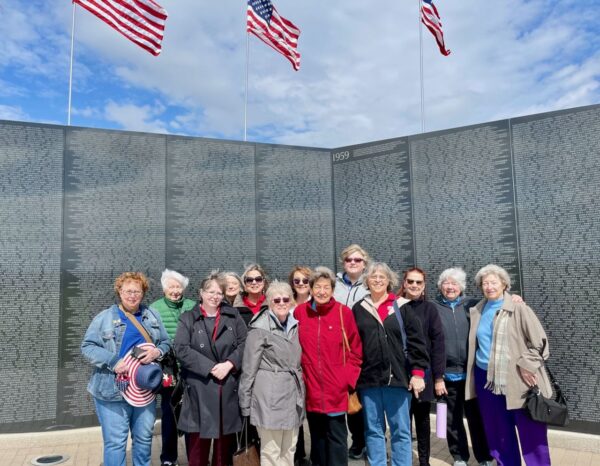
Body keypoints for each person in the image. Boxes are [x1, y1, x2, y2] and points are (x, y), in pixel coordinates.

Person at [465, 264, 552, 466]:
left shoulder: (518, 307)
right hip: (486, 380)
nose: (489, 286)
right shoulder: (477, 309)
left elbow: (540, 343)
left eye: (493, 282)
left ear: (504, 283)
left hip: (519, 380)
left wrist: (525, 364)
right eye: (485, 283)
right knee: (499, 432)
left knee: (531, 432)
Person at [81, 271, 171, 466]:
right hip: (112, 391)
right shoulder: (104, 318)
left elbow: (165, 342)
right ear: (119, 292)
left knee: (144, 439)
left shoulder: (151, 316)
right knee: (115, 443)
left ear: (143, 293)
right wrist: (113, 361)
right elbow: (87, 347)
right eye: (128, 291)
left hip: (144, 389)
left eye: (137, 291)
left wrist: (157, 352)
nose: (132, 295)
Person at [353, 262, 429, 466]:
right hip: (369, 381)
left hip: (398, 378)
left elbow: (417, 342)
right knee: (373, 430)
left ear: (389, 281)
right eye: (373, 276)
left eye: (382, 277)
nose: (377, 280)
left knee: (401, 431)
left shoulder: (401, 307)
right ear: (366, 280)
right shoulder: (359, 308)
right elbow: (353, 344)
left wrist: (418, 373)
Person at [174, 273, 248, 466]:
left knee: (224, 449)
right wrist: (211, 367)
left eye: (219, 292)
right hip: (200, 388)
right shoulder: (188, 318)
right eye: (210, 292)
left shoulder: (233, 316)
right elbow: (181, 348)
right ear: (201, 293)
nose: (215, 296)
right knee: (198, 446)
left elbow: (245, 343)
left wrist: (230, 364)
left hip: (227, 388)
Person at [294, 266, 363, 466]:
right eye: (317, 287)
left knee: (337, 439)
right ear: (311, 289)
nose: (322, 292)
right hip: (312, 389)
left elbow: (356, 351)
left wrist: (347, 380)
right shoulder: (300, 312)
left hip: (337, 390)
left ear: (332, 290)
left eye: (326, 287)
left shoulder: (344, 313)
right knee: (317, 440)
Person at [239, 281, 305, 466]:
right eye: (277, 300)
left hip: (293, 395)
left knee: (289, 449)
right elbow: (249, 369)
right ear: (269, 302)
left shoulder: (295, 325)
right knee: (271, 451)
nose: (282, 303)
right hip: (269, 396)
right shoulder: (259, 329)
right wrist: (245, 402)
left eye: (286, 299)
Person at [432, 268, 494, 466]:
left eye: (455, 283)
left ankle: (484, 456)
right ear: (440, 286)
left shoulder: (474, 305)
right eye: (446, 283)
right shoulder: (431, 308)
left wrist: (516, 299)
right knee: (451, 419)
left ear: (462, 287)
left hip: (471, 374)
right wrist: (437, 377)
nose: (450, 287)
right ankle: (459, 456)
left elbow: (499, 301)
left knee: (478, 418)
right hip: (445, 377)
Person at [398, 267, 445, 466]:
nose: (414, 285)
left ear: (424, 286)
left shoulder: (430, 309)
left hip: (423, 373)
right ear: (404, 283)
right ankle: (405, 458)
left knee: (422, 419)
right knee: (402, 421)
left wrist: (438, 377)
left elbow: (438, 343)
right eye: (410, 281)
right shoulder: (396, 307)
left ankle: (424, 461)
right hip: (400, 372)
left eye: (418, 282)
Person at [150, 269, 196, 466]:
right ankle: (168, 458)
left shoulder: (192, 306)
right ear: (164, 288)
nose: (175, 291)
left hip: (190, 370)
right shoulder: (155, 308)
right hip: (169, 371)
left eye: (178, 287)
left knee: (190, 416)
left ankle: (194, 457)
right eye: (171, 286)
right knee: (169, 415)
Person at [332, 244, 370, 459]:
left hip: (366, 348)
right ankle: (357, 442)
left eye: (357, 260)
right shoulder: (334, 285)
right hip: (339, 351)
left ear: (364, 263)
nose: (353, 263)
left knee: (369, 400)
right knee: (350, 397)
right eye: (349, 260)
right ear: (343, 262)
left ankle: (371, 440)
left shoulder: (371, 283)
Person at [287, 265, 313, 465]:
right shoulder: (286, 304)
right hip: (293, 364)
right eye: (297, 281)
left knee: (312, 410)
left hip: (313, 364)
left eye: (305, 280)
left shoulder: (318, 302)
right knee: (295, 410)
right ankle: (297, 453)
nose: (302, 284)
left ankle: (317, 453)